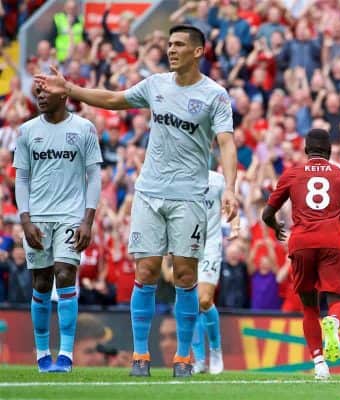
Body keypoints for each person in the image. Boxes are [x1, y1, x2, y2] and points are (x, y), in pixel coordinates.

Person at [34, 24, 238, 378]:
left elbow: (226, 143)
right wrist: (70, 88)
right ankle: (140, 356)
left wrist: (231, 188)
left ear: (197, 52)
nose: (171, 49)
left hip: (190, 196)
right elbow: (114, 100)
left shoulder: (216, 95)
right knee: (145, 272)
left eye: (178, 45)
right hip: (149, 192)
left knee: (186, 276)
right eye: (169, 43)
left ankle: (184, 357)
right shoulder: (155, 84)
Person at [262, 128, 340, 380]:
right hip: (333, 242)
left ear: (306, 150)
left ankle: (319, 364)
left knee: (309, 306)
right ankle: (334, 322)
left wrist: (277, 228)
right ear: (329, 151)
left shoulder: (292, 174)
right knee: (337, 302)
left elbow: (267, 214)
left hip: (302, 242)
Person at [14, 82, 102, 373]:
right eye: (37, 93)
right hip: (37, 216)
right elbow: (22, 179)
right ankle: (42, 354)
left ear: (63, 95)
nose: (39, 97)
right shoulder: (27, 131)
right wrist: (25, 220)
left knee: (65, 274)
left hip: (70, 214)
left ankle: (65, 354)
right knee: (40, 282)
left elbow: (94, 175)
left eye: (45, 93)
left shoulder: (84, 129)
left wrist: (87, 220)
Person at [191, 170, 240, 375]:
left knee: (204, 300)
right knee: (189, 304)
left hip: (210, 245)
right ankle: (199, 360)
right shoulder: (179, 175)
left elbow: (231, 207)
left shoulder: (218, 180)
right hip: (185, 245)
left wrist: (235, 226)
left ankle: (216, 349)